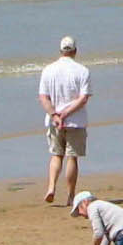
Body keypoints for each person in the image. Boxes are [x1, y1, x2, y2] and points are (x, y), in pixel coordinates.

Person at [39, 36, 90, 206]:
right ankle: (70, 195)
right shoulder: (82, 70)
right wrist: (65, 113)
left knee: (56, 155)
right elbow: (83, 99)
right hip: (75, 121)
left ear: (60, 51)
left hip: (55, 122)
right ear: (75, 51)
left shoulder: (48, 70)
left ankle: (51, 187)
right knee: (72, 158)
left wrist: (55, 115)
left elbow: (43, 97)